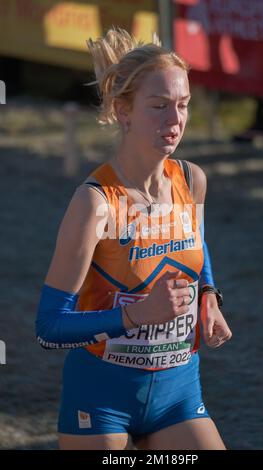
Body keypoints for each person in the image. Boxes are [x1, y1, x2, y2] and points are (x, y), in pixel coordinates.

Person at [36, 27, 232, 450]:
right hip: (102, 400)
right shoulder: (95, 203)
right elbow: (49, 328)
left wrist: (209, 295)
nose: (175, 120)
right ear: (123, 111)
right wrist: (137, 316)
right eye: (159, 106)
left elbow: (195, 240)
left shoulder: (191, 179)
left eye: (183, 105)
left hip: (179, 395)